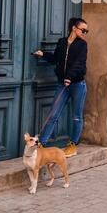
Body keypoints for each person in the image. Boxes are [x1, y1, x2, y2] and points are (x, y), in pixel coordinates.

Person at [32, 17, 88, 157]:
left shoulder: (82, 45)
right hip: (62, 84)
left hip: (77, 85)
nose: (85, 33)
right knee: (53, 114)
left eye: (87, 31)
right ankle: (41, 144)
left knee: (77, 116)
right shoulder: (62, 42)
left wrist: (69, 77)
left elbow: (79, 63)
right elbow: (56, 59)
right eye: (83, 30)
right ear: (74, 28)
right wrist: (43, 54)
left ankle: (72, 145)